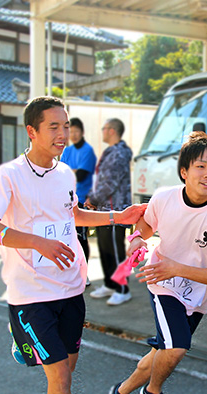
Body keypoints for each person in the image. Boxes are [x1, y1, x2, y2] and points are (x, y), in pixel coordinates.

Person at [0, 96, 146, 394]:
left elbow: (73, 213)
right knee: (59, 376)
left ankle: (25, 345)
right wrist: (36, 241)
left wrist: (117, 217)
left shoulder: (64, 173)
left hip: (70, 288)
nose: (63, 133)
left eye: (66, 126)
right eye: (54, 127)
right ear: (32, 131)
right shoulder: (10, 175)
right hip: (31, 294)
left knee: (67, 368)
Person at [102, 132, 207, 394]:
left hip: (196, 292)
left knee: (158, 356)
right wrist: (136, 240)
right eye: (201, 167)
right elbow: (144, 227)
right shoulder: (164, 198)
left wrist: (177, 268)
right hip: (162, 282)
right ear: (184, 172)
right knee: (177, 347)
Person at [86, 118, 134, 306]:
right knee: (105, 249)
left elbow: (110, 184)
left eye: (104, 128)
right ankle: (109, 284)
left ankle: (123, 289)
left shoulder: (119, 154)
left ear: (112, 131)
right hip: (103, 210)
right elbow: (100, 179)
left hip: (116, 211)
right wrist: (93, 198)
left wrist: (93, 199)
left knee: (115, 251)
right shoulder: (109, 152)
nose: (102, 131)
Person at [60, 117, 97, 285]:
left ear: (82, 132)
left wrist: (69, 171)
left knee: (82, 238)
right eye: (70, 131)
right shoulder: (66, 151)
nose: (73, 135)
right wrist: (70, 172)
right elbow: (59, 173)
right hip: (65, 200)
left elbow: (81, 175)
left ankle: (84, 273)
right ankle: (70, 271)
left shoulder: (88, 151)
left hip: (81, 200)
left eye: (76, 131)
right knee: (67, 237)